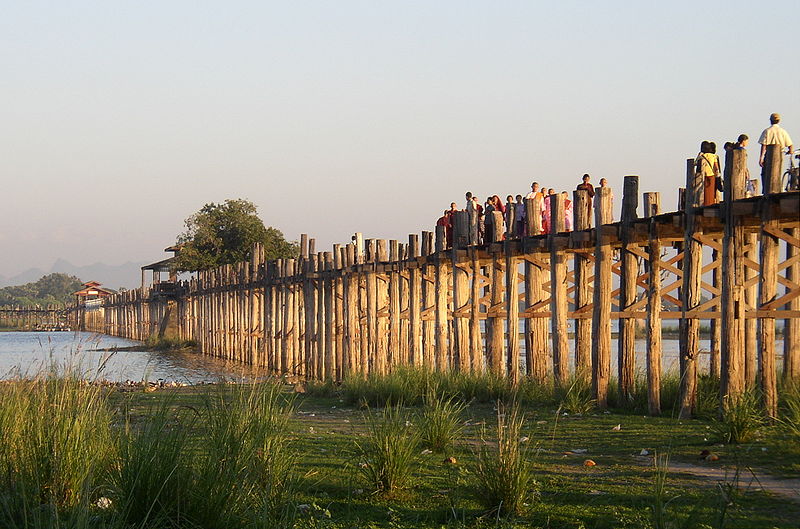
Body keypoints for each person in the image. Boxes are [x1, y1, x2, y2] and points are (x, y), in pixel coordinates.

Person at [695, 141, 720, 206]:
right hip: (711, 176)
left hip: (703, 176)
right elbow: (716, 167)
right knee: (711, 193)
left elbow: (695, 163)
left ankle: (704, 204)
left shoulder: (702, 156)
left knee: (703, 192)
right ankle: (710, 203)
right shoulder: (714, 156)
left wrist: (698, 155)